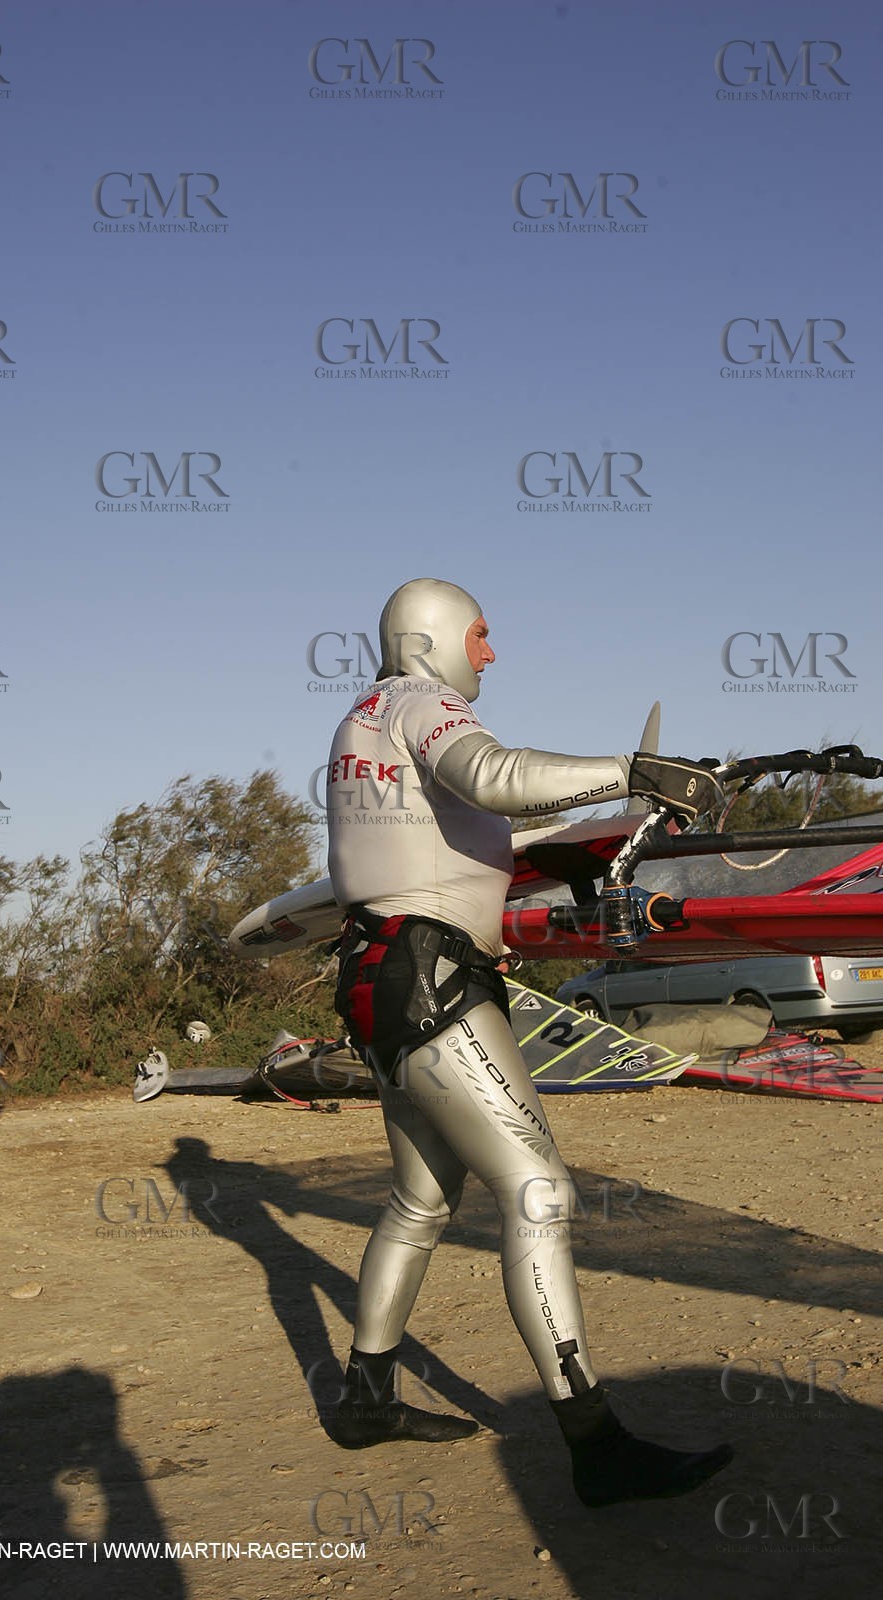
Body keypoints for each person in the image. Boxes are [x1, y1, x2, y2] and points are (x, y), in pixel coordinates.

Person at [323, 577, 733, 1508]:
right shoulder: (427, 703)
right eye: (482, 634)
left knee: (419, 1202)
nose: (491, 652)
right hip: (429, 973)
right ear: (431, 639)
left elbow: (472, 826)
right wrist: (635, 772)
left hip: (378, 970)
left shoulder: (364, 719)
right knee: (538, 1191)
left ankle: (364, 1399)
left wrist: (573, 845)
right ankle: (597, 1447)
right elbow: (492, 777)